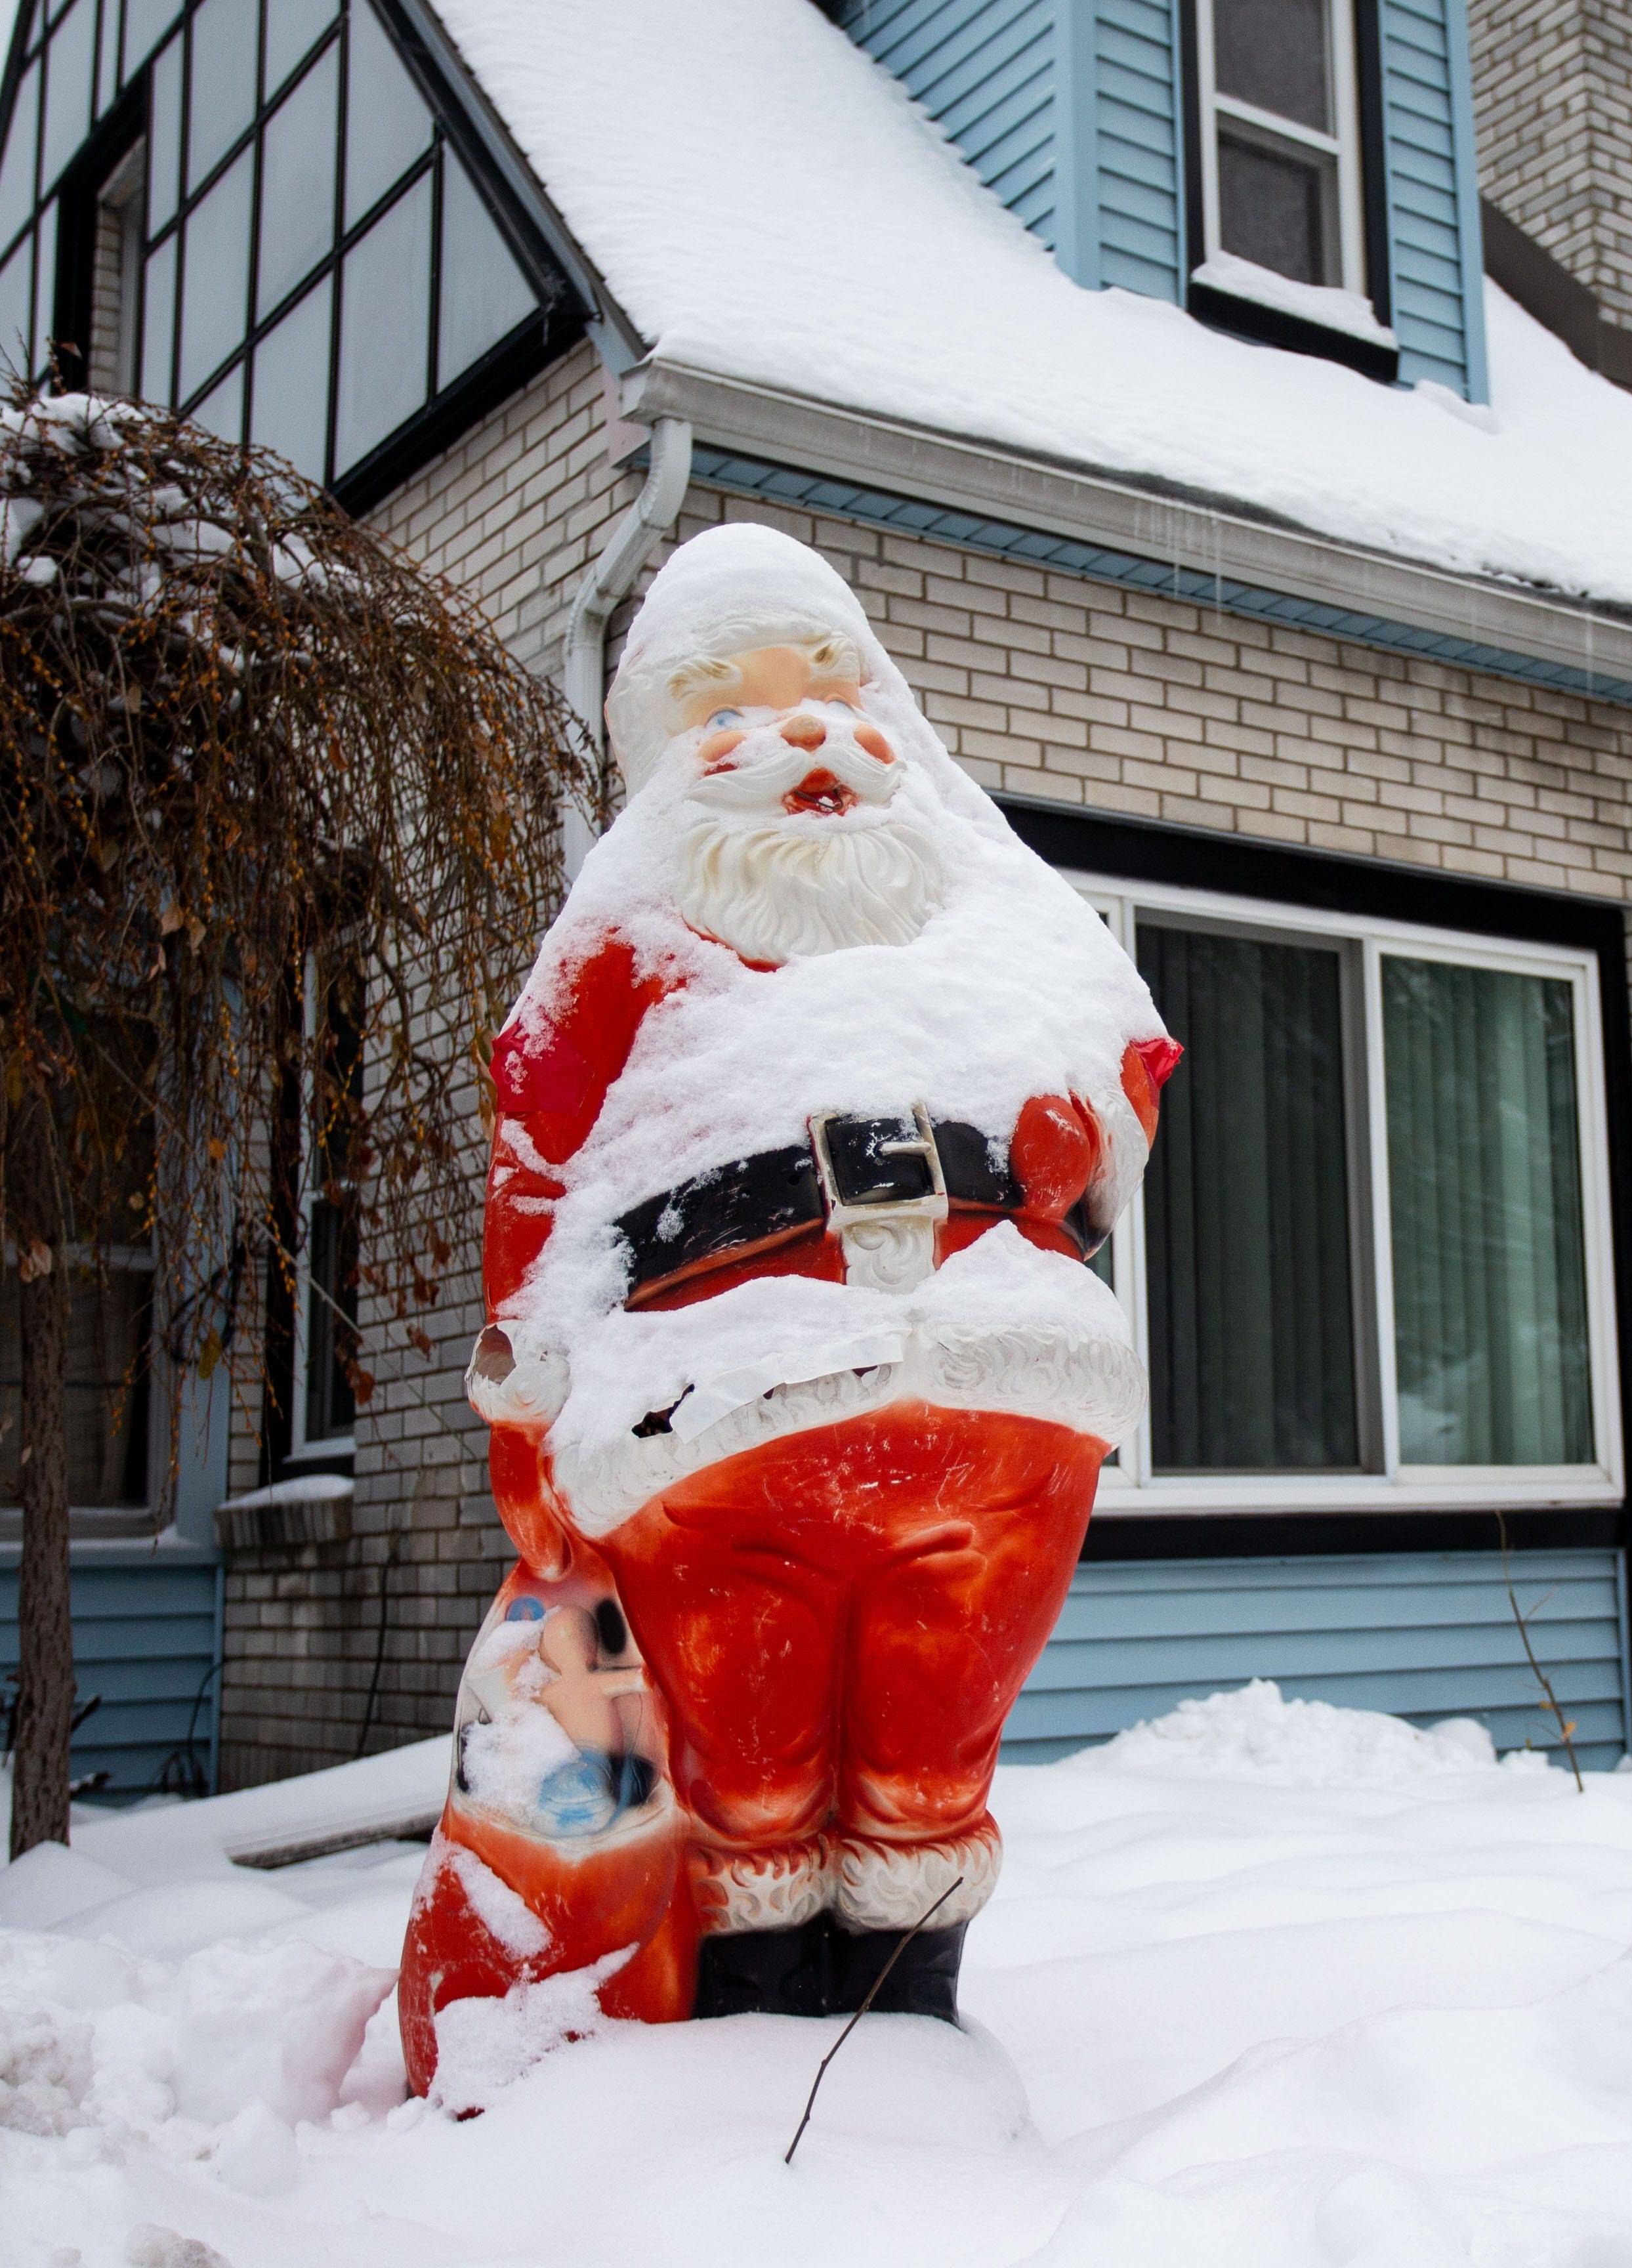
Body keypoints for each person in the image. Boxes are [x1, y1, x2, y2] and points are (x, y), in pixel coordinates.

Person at [398, 524, 1175, 2091]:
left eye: (830, 687)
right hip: (720, 1412)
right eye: (729, 706)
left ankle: (912, 2079)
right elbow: (535, 1152)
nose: (800, 731)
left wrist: (1081, 1120)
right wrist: (529, 1401)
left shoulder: (992, 908)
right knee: (743, 1785)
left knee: (928, 1772)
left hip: (1002, 1402)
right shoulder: (629, 924)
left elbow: (1134, 1057)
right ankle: (749, 2101)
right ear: (667, 752)